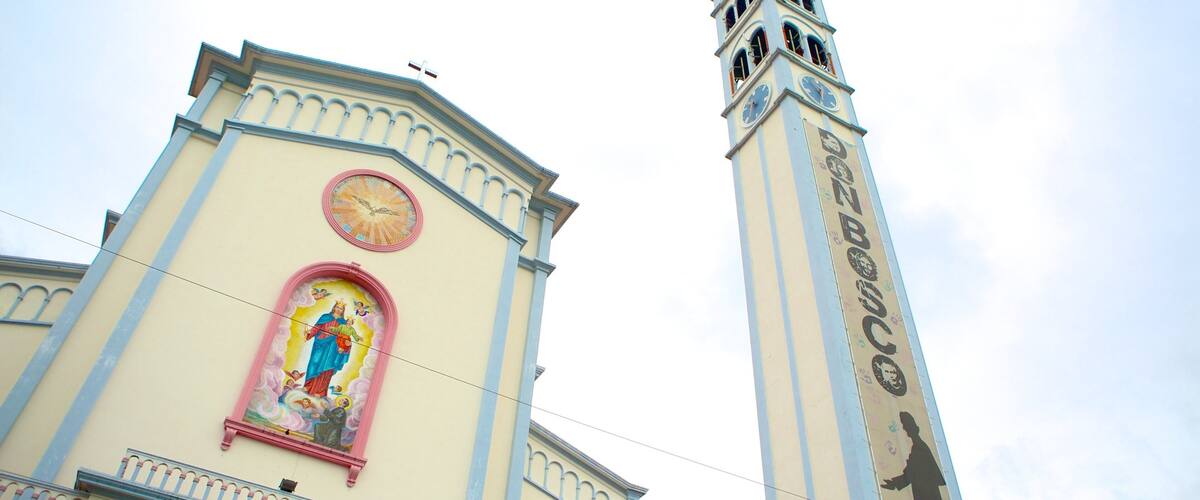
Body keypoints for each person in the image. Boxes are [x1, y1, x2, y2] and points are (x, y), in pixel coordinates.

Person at [881, 412, 945, 500]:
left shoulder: (919, 448)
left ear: (913, 427)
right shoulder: (917, 447)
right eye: (904, 425)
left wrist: (894, 484)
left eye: (906, 425)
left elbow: (911, 472)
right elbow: (911, 472)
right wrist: (893, 484)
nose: (904, 428)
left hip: (926, 493)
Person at [303, 301, 353, 398]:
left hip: (333, 347)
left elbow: (346, 336)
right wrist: (309, 334)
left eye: (341, 308)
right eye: (337, 307)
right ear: (334, 307)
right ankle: (308, 386)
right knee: (315, 363)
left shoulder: (343, 323)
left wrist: (346, 346)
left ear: (343, 311)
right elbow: (316, 328)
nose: (339, 309)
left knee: (327, 369)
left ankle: (321, 392)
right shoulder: (325, 317)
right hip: (320, 345)